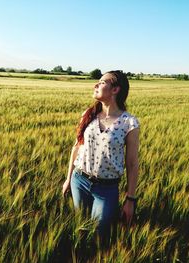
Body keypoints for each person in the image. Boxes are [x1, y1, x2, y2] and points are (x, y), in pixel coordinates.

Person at [62, 70, 140, 244]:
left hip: (107, 189)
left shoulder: (129, 123)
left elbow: (133, 164)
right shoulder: (88, 115)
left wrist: (130, 199)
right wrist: (68, 179)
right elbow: (77, 147)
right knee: (81, 227)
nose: (95, 85)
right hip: (79, 180)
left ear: (115, 89)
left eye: (101, 82)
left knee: (98, 234)